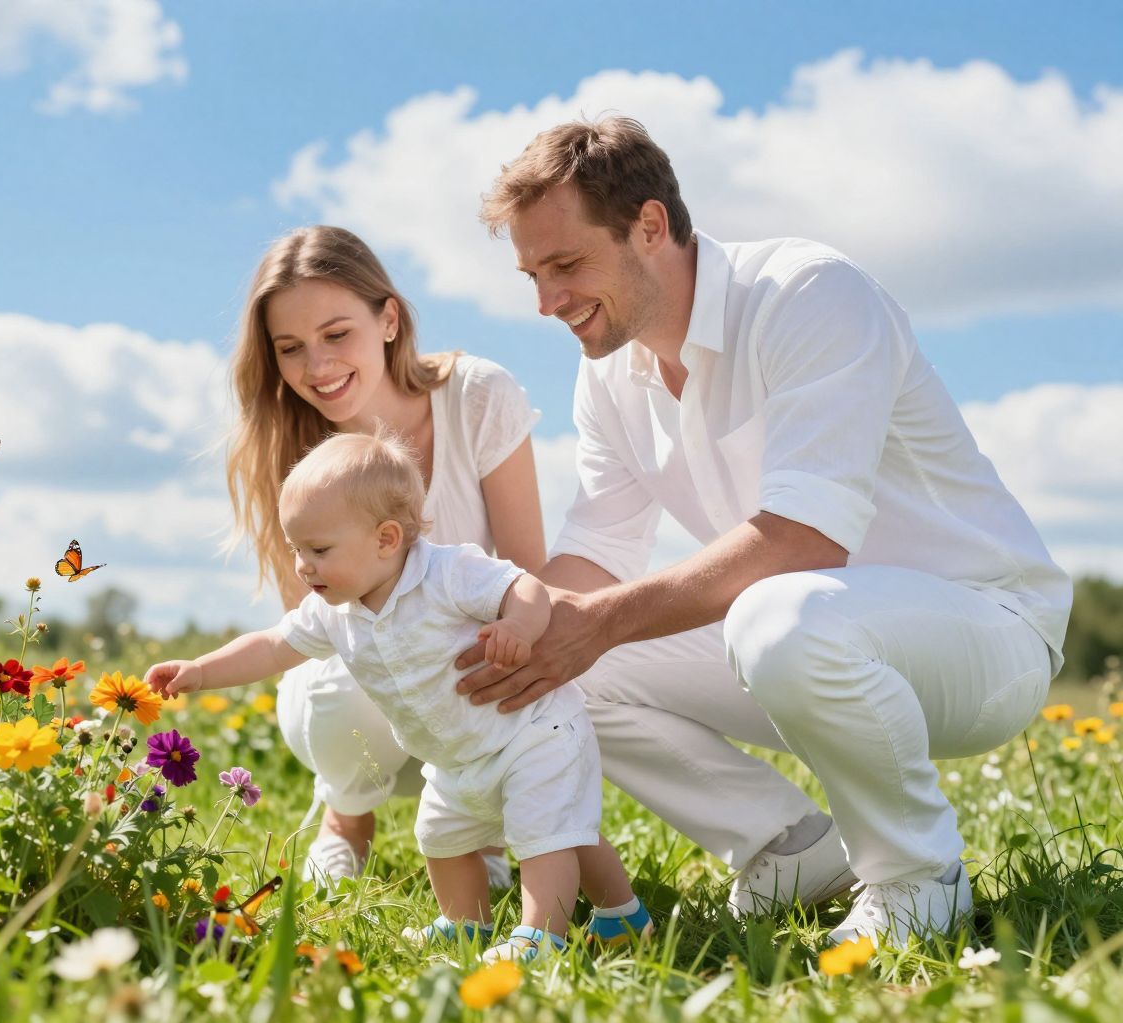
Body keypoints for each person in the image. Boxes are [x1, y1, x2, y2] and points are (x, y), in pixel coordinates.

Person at [456, 117, 1070, 948]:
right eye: (533, 274)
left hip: (984, 632)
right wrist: (508, 631)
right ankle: (790, 849)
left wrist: (592, 624)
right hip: (814, 635)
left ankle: (918, 879)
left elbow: (804, 540)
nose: (546, 301)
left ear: (650, 225)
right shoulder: (609, 372)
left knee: (773, 616)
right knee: (558, 668)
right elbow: (597, 554)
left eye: (565, 265)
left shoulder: (808, 292)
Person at [151, 432, 651, 961]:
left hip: (530, 735)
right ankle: (475, 925)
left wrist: (521, 627)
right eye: (297, 549)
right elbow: (274, 646)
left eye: (318, 550)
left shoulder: (447, 572)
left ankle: (540, 935)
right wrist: (201, 670)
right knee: (443, 838)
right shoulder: (334, 612)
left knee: (546, 836)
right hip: (455, 758)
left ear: (387, 539)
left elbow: (523, 587)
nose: (303, 565)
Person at [225, 225, 545, 885]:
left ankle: (477, 830)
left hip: (469, 672)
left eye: (337, 335)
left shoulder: (477, 396)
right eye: (291, 348)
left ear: (389, 319)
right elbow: (311, 620)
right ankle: (346, 818)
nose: (317, 368)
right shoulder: (292, 441)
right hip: (356, 687)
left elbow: (526, 574)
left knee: (515, 650)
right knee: (338, 679)